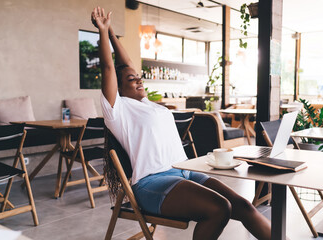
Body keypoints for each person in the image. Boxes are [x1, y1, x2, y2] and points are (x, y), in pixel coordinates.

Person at [91, 7, 271, 240]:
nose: (138, 80)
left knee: (244, 207)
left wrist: (113, 32)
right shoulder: (118, 110)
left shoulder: (148, 103)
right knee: (219, 209)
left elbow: (126, 63)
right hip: (153, 181)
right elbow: (109, 67)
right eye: (130, 80)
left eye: (138, 77)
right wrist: (103, 32)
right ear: (118, 87)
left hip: (185, 171)